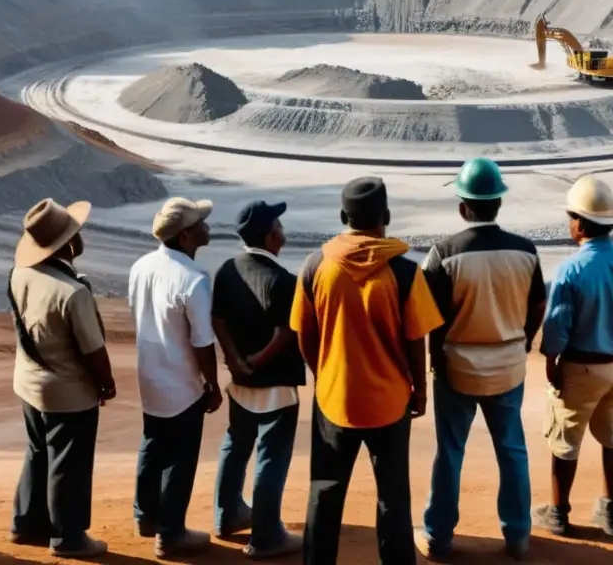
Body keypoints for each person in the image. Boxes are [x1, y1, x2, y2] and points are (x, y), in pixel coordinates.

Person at [291, 177, 444, 565]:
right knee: (392, 495)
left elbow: (304, 336)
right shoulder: (406, 273)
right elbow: (416, 340)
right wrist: (419, 391)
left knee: (324, 490)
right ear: (386, 217)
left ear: (344, 217)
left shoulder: (314, 266)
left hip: (334, 398)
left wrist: (323, 374)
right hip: (390, 402)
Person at [415, 158, 546, 562]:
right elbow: (538, 303)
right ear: (498, 203)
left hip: (457, 368)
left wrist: (436, 359)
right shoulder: (526, 252)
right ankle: (518, 535)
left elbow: (428, 318)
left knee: (450, 451)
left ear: (463, 206)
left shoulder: (444, 253)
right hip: (508, 366)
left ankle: (438, 536)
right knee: (512, 450)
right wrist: (522, 340)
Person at [531, 177, 613, 540]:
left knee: (565, 441)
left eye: (571, 217)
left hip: (582, 365)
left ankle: (559, 512)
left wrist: (551, 360)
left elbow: (558, 324)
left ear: (581, 223)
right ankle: (610, 512)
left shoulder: (571, 268)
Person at [8, 198, 115, 559]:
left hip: (28, 382)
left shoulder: (19, 273)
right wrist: (106, 384)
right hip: (68, 392)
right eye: (75, 231)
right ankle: (68, 538)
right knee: (69, 462)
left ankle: (25, 523)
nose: (80, 235)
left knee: (38, 451)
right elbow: (92, 350)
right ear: (67, 243)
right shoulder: (73, 292)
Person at [129, 197, 224, 559]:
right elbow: (202, 341)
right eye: (201, 222)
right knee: (181, 459)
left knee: (153, 445)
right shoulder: (194, 280)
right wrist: (212, 385)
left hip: (149, 374)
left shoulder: (141, 266)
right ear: (185, 237)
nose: (207, 225)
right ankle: (170, 535)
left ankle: (145, 517)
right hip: (182, 381)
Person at [211, 200, 306, 559]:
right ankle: (266, 537)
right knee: (271, 456)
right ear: (270, 235)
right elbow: (287, 332)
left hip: (239, 382)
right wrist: (257, 360)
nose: (283, 231)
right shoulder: (283, 281)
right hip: (276, 385)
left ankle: (227, 516)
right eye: (279, 226)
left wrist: (236, 361)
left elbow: (218, 319)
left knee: (235, 446)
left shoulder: (226, 269)